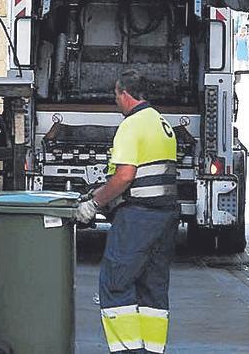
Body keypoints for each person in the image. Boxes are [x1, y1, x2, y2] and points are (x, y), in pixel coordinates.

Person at [75, 70, 178, 354]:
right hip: (164, 216)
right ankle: (151, 350)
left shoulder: (131, 125)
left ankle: (127, 350)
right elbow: (147, 174)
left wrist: (93, 205)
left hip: (137, 218)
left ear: (125, 94)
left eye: (115, 96)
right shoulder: (161, 122)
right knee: (152, 289)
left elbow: (124, 176)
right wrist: (99, 192)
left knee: (116, 283)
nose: (115, 102)